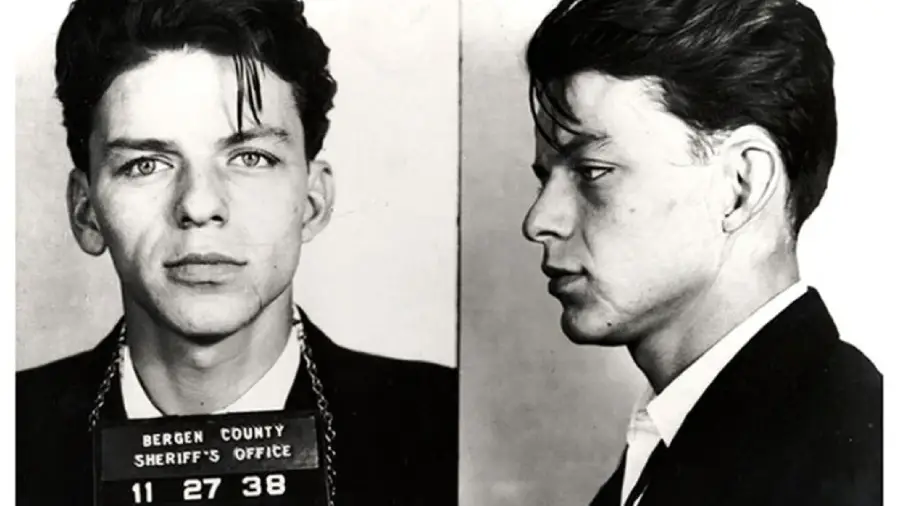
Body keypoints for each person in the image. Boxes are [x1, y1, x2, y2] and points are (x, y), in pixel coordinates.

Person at [15, 1, 457, 505]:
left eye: (251, 158)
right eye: (145, 164)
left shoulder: (448, 426)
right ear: (85, 211)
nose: (199, 206)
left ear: (313, 202)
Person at [521, 0, 882, 505]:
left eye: (592, 172)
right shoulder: (681, 436)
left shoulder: (853, 457)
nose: (538, 221)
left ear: (740, 186)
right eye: (545, 180)